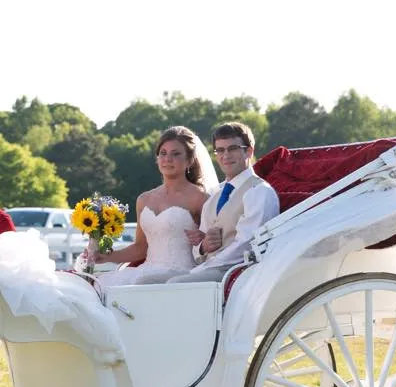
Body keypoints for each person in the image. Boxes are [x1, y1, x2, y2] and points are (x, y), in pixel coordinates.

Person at [92, 125, 219, 287]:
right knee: (100, 285)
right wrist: (108, 256)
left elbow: (210, 246)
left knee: (142, 285)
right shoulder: (144, 199)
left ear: (189, 160)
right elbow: (141, 248)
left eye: (176, 154)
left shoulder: (200, 198)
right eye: (163, 153)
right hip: (147, 269)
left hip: (180, 276)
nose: (167, 159)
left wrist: (203, 239)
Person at [163, 121, 279, 284]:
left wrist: (204, 268)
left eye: (232, 149)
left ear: (249, 151)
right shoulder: (214, 193)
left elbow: (246, 245)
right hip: (207, 269)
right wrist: (204, 246)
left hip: (238, 273)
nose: (226, 156)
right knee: (145, 281)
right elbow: (198, 248)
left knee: (175, 284)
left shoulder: (259, 191)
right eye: (220, 150)